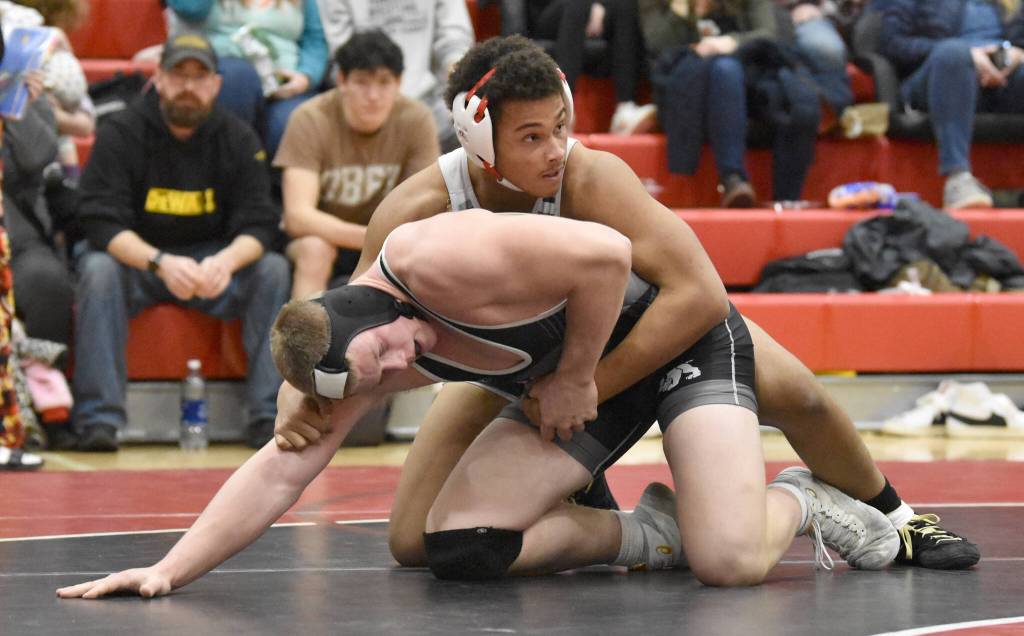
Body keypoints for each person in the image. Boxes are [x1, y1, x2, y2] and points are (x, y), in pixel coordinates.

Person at [340, 34, 974, 573]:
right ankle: (631, 522)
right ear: (477, 141)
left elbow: (700, 297)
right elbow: (352, 324)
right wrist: (306, 401)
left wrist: (583, 384)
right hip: (527, 367)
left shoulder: (590, 178)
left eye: (560, 126)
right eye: (531, 137)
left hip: (656, 336)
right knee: (417, 543)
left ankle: (897, 517)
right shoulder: (416, 211)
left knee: (797, 394)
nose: (556, 150)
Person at [55, 209, 892, 599]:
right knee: (458, 546)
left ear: (373, 302)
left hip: (671, 343)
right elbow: (284, 471)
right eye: (377, 374)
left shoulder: (437, 256)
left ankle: (803, 498)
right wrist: (170, 568)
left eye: (384, 349)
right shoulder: (358, 354)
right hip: (580, 384)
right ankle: (657, 529)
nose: (396, 365)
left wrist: (574, 376)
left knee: (735, 565)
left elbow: (606, 254)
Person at [70, 33, 291, 452]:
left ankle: (268, 415)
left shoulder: (238, 138)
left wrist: (225, 263)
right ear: (158, 78)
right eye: (178, 74)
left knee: (272, 269)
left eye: (199, 76)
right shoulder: (121, 131)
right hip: (141, 263)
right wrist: (159, 262)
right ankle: (99, 420)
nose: (188, 86)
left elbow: (261, 224)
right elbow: (99, 221)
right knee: (97, 268)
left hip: (212, 266)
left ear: (216, 86)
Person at [274, 30, 439, 300]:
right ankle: (302, 340)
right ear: (342, 81)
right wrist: (370, 238)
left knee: (425, 256)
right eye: (362, 82)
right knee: (315, 249)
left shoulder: (416, 119)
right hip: (324, 237)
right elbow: (297, 217)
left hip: (385, 243)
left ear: (399, 83)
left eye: (384, 82)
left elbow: (423, 211)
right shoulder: (310, 118)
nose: (373, 95)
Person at [639, 0, 821, 206]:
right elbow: (658, 46)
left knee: (796, 96)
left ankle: (787, 199)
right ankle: (733, 178)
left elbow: (768, 33)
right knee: (725, 70)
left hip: (748, 77)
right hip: (687, 88)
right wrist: (679, 10)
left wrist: (731, 41)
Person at [882, 0, 1024, 209]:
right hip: (935, 75)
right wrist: (970, 54)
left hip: (1000, 78)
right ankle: (958, 179)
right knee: (954, 53)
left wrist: (1017, 53)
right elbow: (891, 44)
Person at [167, 0, 329, 158]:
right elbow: (190, 9)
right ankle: (228, 169)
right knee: (239, 79)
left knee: (291, 123)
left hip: (284, 83)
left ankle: (267, 182)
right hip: (227, 77)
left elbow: (315, 39)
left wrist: (306, 76)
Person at [315, 0, 474, 152]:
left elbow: (455, 40)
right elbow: (339, 55)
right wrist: (377, 97)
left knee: (470, 131)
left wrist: (458, 83)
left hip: (428, 100)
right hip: (364, 96)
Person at [504, 0, 655, 135]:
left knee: (624, 4)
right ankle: (563, 109)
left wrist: (597, 6)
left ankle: (625, 110)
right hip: (546, 15)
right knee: (577, 3)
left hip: (589, 11)